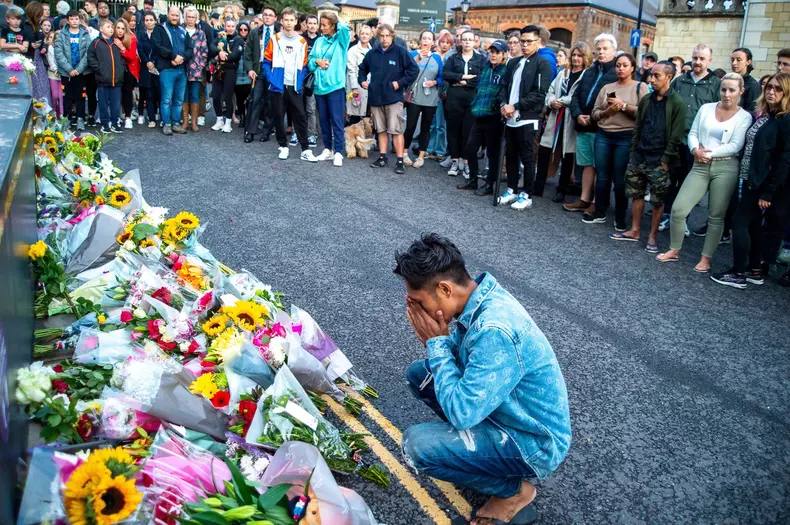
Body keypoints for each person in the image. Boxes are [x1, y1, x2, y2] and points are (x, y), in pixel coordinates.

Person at [396, 233, 571, 525]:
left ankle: (513, 491)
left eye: (419, 302)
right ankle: (473, 456)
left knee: (417, 447)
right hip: (503, 410)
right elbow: (467, 359)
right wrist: (438, 346)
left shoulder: (495, 329)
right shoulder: (480, 295)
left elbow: (462, 413)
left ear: (444, 288)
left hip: (532, 441)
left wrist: (437, 345)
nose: (416, 310)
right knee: (420, 374)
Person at [655, 73, 751, 272]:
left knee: (716, 215)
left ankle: (706, 258)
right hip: (700, 163)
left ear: (741, 91)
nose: (726, 94)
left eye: (732, 90)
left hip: (725, 167)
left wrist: (709, 153)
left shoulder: (745, 116)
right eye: (723, 89)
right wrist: (695, 150)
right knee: (679, 209)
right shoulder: (707, 108)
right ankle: (674, 249)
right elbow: (693, 133)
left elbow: (736, 145)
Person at [711, 73, 790, 289]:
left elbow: (784, 160)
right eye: (770, 87)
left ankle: (738, 273)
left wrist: (768, 191)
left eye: (779, 89)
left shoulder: (785, 119)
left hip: (761, 183)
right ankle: (754, 270)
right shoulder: (768, 115)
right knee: (754, 225)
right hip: (751, 178)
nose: (772, 91)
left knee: (739, 222)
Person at [608, 61, 686, 252]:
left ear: (669, 78)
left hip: (659, 159)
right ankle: (635, 231)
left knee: (658, 199)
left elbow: (676, 136)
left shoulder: (677, 103)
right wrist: (634, 151)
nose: (652, 79)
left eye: (657, 76)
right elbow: (638, 128)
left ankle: (652, 235)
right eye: (651, 75)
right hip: (639, 155)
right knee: (636, 193)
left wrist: (666, 160)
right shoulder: (646, 100)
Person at [586, 53, 649, 229]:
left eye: (625, 65)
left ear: (632, 68)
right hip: (604, 134)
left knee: (620, 179)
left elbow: (645, 113)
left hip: (626, 136)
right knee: (602, 176)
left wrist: (624, 106)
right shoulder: (607, 87)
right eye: (618, 65)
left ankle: (620, 217)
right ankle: (599, 212)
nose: (620, 68)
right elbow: (594, 114)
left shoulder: (640, 87)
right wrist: (607, 112)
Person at [663, 44, 720, 231]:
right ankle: (666, 215)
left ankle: (683, 220)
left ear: (709, 60)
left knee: (690, 183)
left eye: (702, 58)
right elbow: (668, 104)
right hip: (676, 139)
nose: (697, 62)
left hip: (698, 143)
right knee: (671, 180)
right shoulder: (680, 81)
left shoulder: (715, 84)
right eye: (695, 58)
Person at [497, 25, 552, 209]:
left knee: (527, 157)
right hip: (509, 116)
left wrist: (516, 106)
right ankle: (511, 189)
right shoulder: (513, 63)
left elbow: (539, 94)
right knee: (510, 155)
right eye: (523, 41)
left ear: (538, 42)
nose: (525, 45)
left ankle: (527, 194)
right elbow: (504, 86)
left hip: (527, 118)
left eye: (529, 42)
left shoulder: (542, 63)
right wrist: (504, 104)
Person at [563, 33, 618, 213]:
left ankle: (597, 201)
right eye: (598, 49)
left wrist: (594, 117)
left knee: (600, 165)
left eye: (605, 49)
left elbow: (613, 103)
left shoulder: (615, 74)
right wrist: (578, 114)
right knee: (586, 164)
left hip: (601, 127)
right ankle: (584, 199)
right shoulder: (589, 71)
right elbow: (576, 97)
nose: (601, 52)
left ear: (614, 51)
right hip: (583, 124)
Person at [261, 7, 318, 162]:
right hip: (278, 85)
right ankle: (283, 146)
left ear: (296, 21)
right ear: (281, 21)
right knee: (279, 116)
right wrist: (272, 78)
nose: (289, 22)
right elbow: (266, 61)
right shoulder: (275, 39)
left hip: (295, 86)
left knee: (300, 116)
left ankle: (305, 149)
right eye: (286, 19)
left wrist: (300, 81)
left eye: (292, 20)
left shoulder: (301, 42)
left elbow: (305, 64)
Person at [361, 24, 418, 174]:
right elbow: (362, 69)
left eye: (387, 35)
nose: (384, 38)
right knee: (381, 130)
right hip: (376, 98)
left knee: (396, 130)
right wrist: (362, 81)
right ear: (378, 37)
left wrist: (399, 84)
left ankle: (400, 161)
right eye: (382, 36)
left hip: (393, 98)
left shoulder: (400, 52)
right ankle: (382, 157)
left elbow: (414, 70)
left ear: (392, 36)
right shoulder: (372, 53)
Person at [539, 41, 590, 204]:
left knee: (567, 155)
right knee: (545, 150)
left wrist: (560, 101)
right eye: (574, 55)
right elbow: (551, 90)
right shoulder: (564, 72)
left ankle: (561, 189)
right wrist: (552, 101)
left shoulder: (586, 75)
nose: (576, 58)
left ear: (585, 58)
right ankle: (538, 185)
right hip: (555, 116)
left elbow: (578, 96)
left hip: (570, 118)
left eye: (579, 56)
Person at [456, 39, 508, 195]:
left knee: (492, 154)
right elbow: (479, 88)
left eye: (497, 52)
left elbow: (503, 92)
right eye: (491, 52)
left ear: (504, 54)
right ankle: (472, 180)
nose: (493, 55)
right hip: (479, 115)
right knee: (470, 148)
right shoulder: (486, 68)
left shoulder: (506, 71)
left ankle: (490, 185)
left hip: (494, 118)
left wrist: (496, 106)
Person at [307, 12, 350, 167]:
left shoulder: (341, 41)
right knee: (324, 120)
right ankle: (327, 149)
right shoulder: (318, 41)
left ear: (333, 25)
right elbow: (310, 61)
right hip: (319, 87)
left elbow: (345, 30)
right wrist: (317, 61)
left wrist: (338, 20)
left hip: (336, 86)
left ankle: (338, 152)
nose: (321, 27)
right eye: (321, 24)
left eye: (325, 25)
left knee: (337, 121)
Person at [442, 30, 485, 177]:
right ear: (460, 42)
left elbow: (482, 77)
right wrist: (462, 76)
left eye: (469, 39)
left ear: (474, 42)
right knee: (453, 129)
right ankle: (455, 161)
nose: (467, 42)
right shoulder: (453, 58)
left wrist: (464, 83)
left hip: (472, 98)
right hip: (454, 98)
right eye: (464, 39)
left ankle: (466, 162)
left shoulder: (481, 59)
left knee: (468, 131)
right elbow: (446, 74)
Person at [402, 30, 443, 169]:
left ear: (433, 42)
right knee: (410, 126)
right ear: (420, 41)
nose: (426, 41)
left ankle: (421, 156)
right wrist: (418, 58)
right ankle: (404, 153)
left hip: (430, 97)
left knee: (426, 128)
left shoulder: (437, 58)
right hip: (414, 95)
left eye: (429, 38)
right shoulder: (413, 54)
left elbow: (442, 76)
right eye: (424, 38)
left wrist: (435, 82)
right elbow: (406, 70)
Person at [152, 6, 193, 135]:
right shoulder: (160, 29)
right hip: (167, 69)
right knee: (166, 99)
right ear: (168, 14)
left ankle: (176, 123)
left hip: (181, 69)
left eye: (177, 15)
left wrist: (183, 58)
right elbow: (158, 46)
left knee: (178, 99)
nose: (175, 17)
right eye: (173, 15)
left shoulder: (183, 30)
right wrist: (173, 56)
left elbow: (190, 49)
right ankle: (167, 124)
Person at [242, 6, 280, 143]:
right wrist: (249, 69)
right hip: (258, 71)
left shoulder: (279, 33)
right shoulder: (254, 32)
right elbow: (248, 54)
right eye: (265, 15)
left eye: (270, 15)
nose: (267, 17)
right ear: (262, 17)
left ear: (275, 18)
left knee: (270, 102)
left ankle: (266, 131)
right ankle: (250, 131)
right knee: (255, 101)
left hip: (274, 71)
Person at [54, 10, 90, 130]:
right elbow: (58, 53)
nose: (74, 21)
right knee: (67, 96)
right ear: (68, 20)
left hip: (81, 71)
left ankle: (80, 118)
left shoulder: (85, 34)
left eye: (77, 19)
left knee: (81, 95)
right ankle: (67, 118)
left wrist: (79, 69)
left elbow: (88, 53)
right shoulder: (62, 35)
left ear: (80, 20)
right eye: (72, 19)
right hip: (66, 72)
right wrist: (69, 69)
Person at [88, 19, 124, 133]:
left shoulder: (116, 43)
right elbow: (90, 57)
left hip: (116, 79)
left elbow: (122, 58)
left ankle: (115, 122)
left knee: (116, 104)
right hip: (103, 79)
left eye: (112, 27)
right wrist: (99, 70)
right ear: (101, 29)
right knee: (103, 103)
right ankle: (105, 123)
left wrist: (121, 69)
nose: (111, 29)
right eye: (108, 27)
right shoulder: (96, 42)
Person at [209, 17, 242, 133]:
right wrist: (219, 52)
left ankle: (228, 122)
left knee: (228, 96)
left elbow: (236, 55)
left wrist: (224, 56)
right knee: (216, 95)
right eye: (228, 26)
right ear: (225, 26)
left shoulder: (238, 39)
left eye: (232, 26)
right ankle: (219, 120)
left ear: (235, 27)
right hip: (219, 70)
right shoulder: (220, 36)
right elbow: (211, 47)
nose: (230, 28)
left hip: (230, 70)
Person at [427, 32, 454, 162]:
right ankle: (430, 148)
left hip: (445, 94)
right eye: (442, 42)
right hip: (433, 92)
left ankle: (440, 150)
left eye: (447, 43)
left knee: (441, 124)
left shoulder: (452, 58)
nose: (444, 45)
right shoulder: (434, 56)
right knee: (432, 123)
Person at [184, 5, 207, 132]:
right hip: (182, 68)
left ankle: (194, 122)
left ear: (196, 19)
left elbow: (204, 51)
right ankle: (185, 122)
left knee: (195, 95)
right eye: (189, 17)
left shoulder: (201, 33)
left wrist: (201, 65)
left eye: (193, 17)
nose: (191, 19)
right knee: (183, 96)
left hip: (196, 70)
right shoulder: (181, 31)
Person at [24, 2, 52, 105]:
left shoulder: (38, 25)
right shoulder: (25, 24)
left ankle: (44, 107)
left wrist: (43, 47)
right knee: (33, 84)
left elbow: (42, 40)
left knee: (42, 84)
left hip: (38, 57)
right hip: (29, 57)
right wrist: (30, 45)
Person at [113, 18, 138, 129]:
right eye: (118, 28)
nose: (120, 31)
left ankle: (128, 117)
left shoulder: (131, 38)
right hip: (114, 69)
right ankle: (116, 117)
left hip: (129, 70)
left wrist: (121, 47)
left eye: (123, 28)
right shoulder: (110, 38)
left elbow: (132, 56)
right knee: (115, 94)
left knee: (127, 93)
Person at [137, 11, 160, 128]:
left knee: (160, 93)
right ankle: (151, 118)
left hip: (158, 67)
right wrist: (148, 62)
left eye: (151, 20)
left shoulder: (160, 33)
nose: (149, 22)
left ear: (155, 21)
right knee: (149, 94)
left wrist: (154, 62)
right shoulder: (141, 35)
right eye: (147, 20)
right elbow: (140, 50)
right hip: (146, 68)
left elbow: (160, 49)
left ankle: (161, 116)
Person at [346, 24, 372, 126]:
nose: (364, 36)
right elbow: (351, 70)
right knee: (355, 117)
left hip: (369, 88)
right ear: (359, 35)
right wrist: (354, 87)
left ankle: (365, 141)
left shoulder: (373, 50)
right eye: (362, 33)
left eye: (367, 34)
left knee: (368, 118)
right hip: (357, 87)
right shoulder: (353, 50)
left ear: (371, 36)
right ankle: (353, 140)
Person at [301, 13, 319, 145]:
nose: (312, 26)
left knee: (311, 108)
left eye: (314, 23)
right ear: (305, 25)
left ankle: (312, 134)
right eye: (310, 23)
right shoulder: (300, 39)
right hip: (300, 76)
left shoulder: (321, 40)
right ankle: (298, 133)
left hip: (313, 79)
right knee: (298, 107)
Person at [731, 47, 759, 115]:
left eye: (738, 60)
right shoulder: (727, 80)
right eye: (732, 60)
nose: (734, 63)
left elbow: (752, 111)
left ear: (748, 62)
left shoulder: (753, 86)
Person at [233, 20, 251, 128]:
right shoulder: (235, 40)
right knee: (239, 98)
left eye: (245, 29)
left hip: (248, 73)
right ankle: (242, 117)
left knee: (248, 97)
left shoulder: (251, 41)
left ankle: (248, 117)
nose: (243, 31)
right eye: (241, 29)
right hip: (238, 72)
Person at [44, 22, 62, 117]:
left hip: (63, 73)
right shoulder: (51, 47)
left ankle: (62, 114)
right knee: (55, 96)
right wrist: (55, 69)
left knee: (61, 96)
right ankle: (54, 113)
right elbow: (51, 60)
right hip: (53, 73)